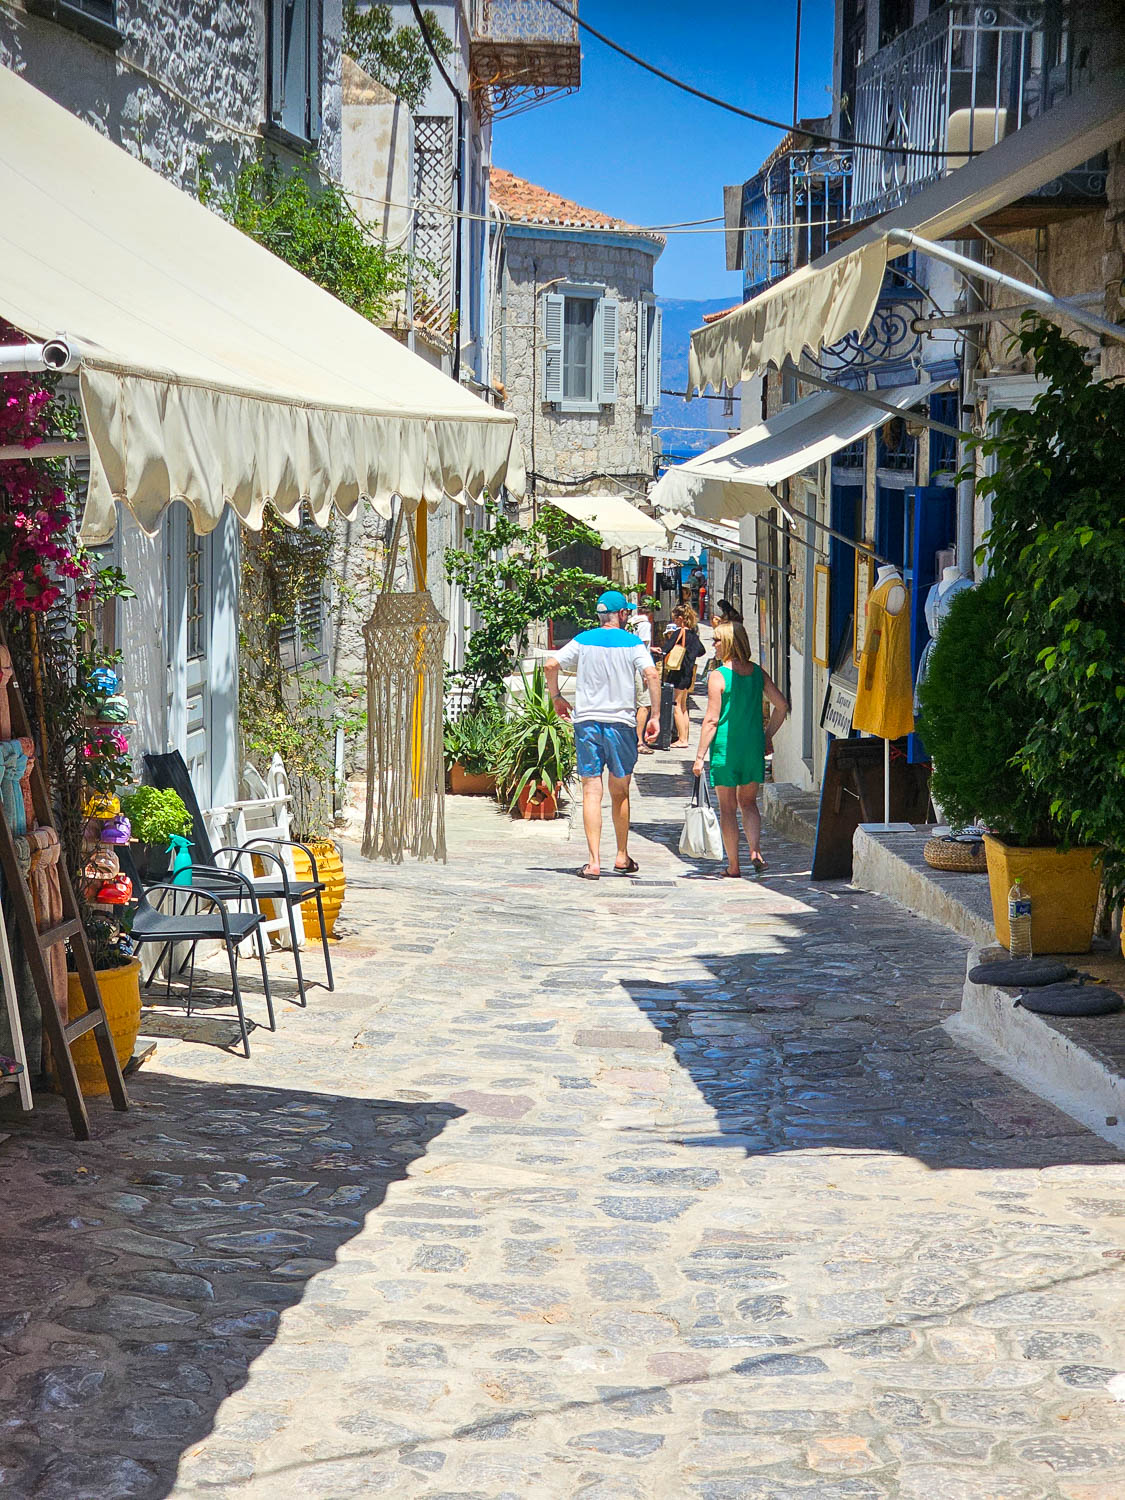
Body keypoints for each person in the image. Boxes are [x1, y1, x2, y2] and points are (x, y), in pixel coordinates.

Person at [545, 590, 660, 880]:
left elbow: (550, 664)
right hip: (620, 723)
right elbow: (652, 675)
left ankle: (594, 861)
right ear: (622, 615)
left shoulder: (583, 640)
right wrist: (656, 715)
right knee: (619, 792)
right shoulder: (633, 643)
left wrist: (556, 696)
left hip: (587, 723)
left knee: (591, 791)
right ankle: (621, 856)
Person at [692, 621, 788, 877]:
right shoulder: (757, 673)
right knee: (749, 804)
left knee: (727, 808)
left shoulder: (719, 676)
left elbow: (712, 720)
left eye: (717, 639)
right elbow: (782, 705)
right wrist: (767, 736)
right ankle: (755, 850)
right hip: (752, 746)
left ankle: (734, 866)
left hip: (726, 748)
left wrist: (700, 757)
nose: (713, 644)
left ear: (729, 643)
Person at [662, 604, 705, 749]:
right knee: (684, 706)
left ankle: (682, 739)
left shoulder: (679, 633)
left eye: (674, 618)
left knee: (676, 706)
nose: (674, 621)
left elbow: (665, 649)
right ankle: (684, 736)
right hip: (688, 673)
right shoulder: (693, 635)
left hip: (678, 673)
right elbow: (701, 651)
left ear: (680, 619)